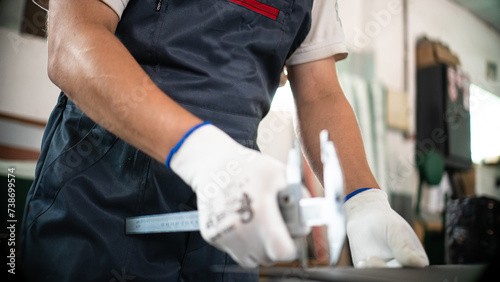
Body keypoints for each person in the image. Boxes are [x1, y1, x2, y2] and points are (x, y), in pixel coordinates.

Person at [21, 0, 429, 281]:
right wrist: (201, 155)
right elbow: (72, 40)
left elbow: (320, 91)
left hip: (235, 205)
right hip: (102, 196)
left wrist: (362, 199)